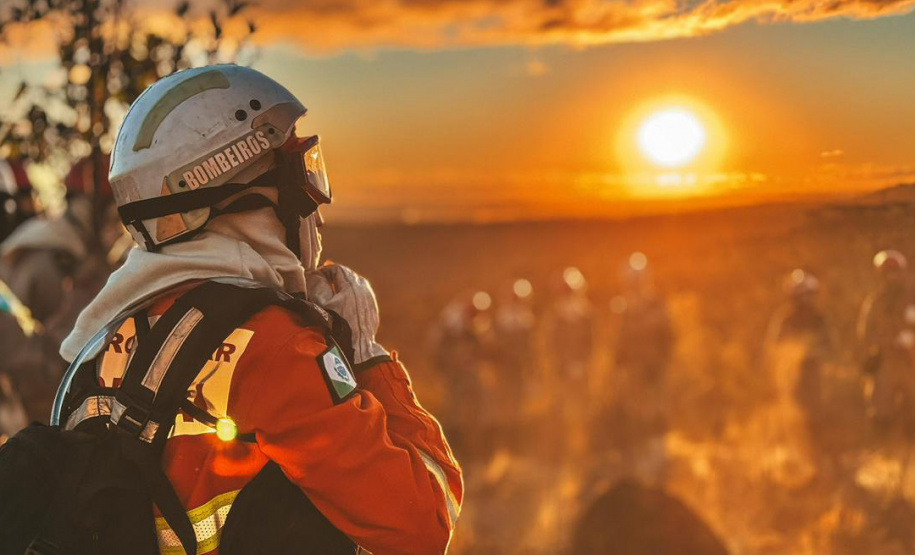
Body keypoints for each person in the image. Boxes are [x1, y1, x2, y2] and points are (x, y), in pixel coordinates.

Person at [56, 64, 461, 554]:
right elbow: (423, 525)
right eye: (299, 174)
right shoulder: (277, 347)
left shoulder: (98, 341)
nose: (311, 199)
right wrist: (364, 352)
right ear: (241, 192)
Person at [857, 250, 915, 436]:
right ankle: (884, 450)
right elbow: (866, 333)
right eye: (887, 273)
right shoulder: (874, 303)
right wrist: (890, 342)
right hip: (886, 361)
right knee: (880, 407)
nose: (891, 277)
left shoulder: (911, 300)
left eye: (894, 272)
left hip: (910, 360)